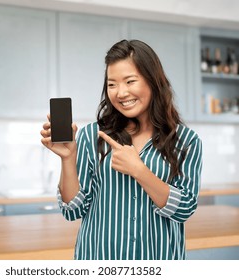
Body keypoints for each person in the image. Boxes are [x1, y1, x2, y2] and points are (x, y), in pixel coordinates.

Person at [40, 39, 202, 260]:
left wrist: (140, 171)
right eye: (112, 84)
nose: (120, 93)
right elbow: (72, 211)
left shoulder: (186, 141)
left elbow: (185, 209)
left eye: (130, 81)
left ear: (153, 81)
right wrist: (68, 159)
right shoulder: (92, 135)